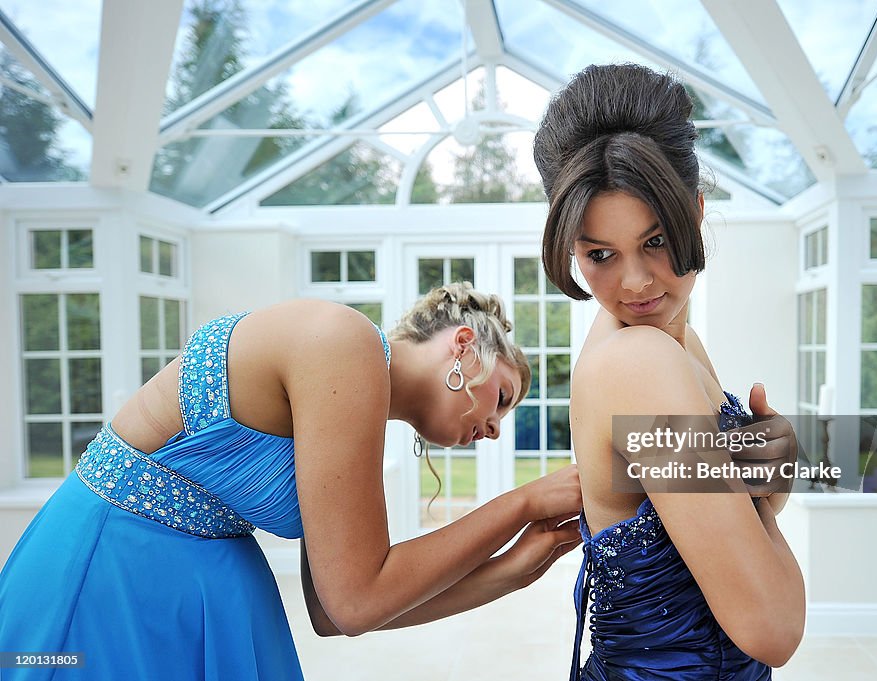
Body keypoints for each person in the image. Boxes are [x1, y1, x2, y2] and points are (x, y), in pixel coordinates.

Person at [0, 283, 582, 680]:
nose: (493, 430)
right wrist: (522, 502)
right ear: (463, 346)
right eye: (501, 399)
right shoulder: (345, 343)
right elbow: (357, 602)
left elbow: (333, 613)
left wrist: (516, 568)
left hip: (193, 582)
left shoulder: (354, 409)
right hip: (117, 570)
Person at [533, 64, 806, 680]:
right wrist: (758, 499)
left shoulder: (672, 342)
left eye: (655, 241)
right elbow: (773, 628)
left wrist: (773, 471)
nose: (633, 282)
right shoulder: (639, 361)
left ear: (697, 212)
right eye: (599, 255)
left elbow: (716, 531)